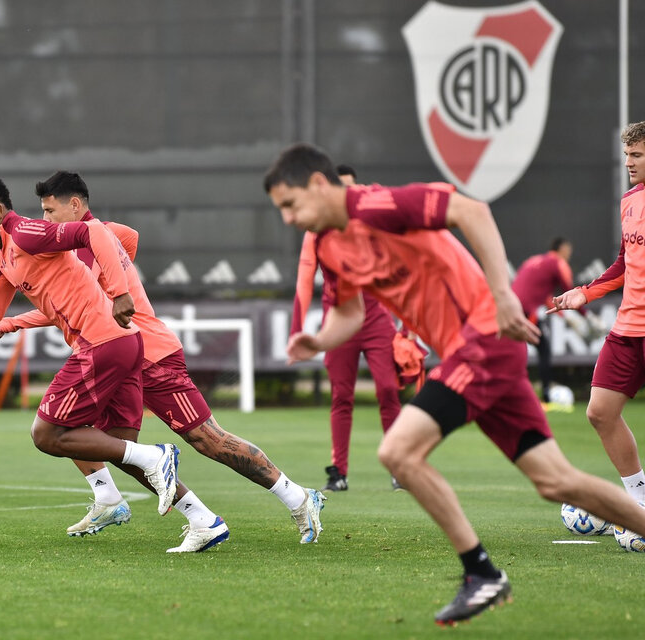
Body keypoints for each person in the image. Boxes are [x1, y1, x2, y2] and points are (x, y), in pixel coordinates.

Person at [264, 142, 645, 626]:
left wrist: (504, 296)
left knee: (398, 451)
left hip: (483, 337)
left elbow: (471, 210)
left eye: (290, 205)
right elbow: (349, 313)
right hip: (478, 352)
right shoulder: (329, 245)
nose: (288, 219)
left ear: (319, 185)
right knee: (556, 482)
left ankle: (481, 573)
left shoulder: (377, 205)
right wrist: (316, 339)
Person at [0, 170, 325, 551]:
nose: (45, 221)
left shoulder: (85, 243)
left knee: (207, 439)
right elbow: (128, 237)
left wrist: (18, 319)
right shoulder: (90, 238)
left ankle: (298, 497)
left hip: (152, 354)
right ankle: (163, 511)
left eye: (51, 212)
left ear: (75, 205)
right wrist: (122, 269)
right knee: (87, 436)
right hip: (118, 351)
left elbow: (82, 291)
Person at [0, 173, 181, 528]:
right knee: (109, 445)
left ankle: (152, 457)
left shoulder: (25, 233)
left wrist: (119, 291)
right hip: (120, 341)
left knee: (48, 433)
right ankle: (197, 517)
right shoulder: (2, 254)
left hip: (104, 342)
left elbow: (95, 231)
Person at [292, 163, 403, 492]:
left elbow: (400, 274)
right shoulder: (316, 229)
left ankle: (400, 466)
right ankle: (338, 472)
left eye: (351, 188)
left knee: (388, 389)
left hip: (375, 317)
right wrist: (297, 329)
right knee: (341, 395)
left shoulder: (370, 222)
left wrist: (408, 327)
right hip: (340, 320)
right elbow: (303, 280)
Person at [551, 120, 645, 506]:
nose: (629, 162)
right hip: (627, 328)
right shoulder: (629, 200)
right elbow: (624, 264)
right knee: (600, 412)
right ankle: (639, 501)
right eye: (626, 155)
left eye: (637, 155)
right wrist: (584, 294)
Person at [512, 237, 576, 403]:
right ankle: (545, 395)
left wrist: (562, 315)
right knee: (543, 350)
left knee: (514, 350)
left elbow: (540, 293)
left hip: (511, 308)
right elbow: (571, 293)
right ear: (561, 249)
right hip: (525, 311)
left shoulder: (535, 260)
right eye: (568, 249)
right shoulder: (558, 263)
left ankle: (514, 394)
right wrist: (583, 316)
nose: (570, 253)